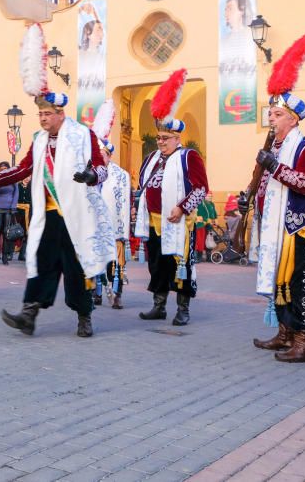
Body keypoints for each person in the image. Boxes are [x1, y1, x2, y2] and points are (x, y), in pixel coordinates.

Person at [0, 28, 111, 336]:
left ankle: (85, 317)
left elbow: (102, 167)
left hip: (76, 216)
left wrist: (91, 175)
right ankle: (28, 315)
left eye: (47, 113)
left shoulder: (83, 135)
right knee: (40, 263)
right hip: (49, 215)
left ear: (60, 113)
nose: (42, 118)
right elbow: (24, 169)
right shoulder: (39, 140)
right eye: (40, 113)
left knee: (75, 268)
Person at [246, 32, 305, 363]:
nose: (271, 119)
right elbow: (266, 184)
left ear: (293, 119)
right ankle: (284, 334)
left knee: (303, 285)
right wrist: (250, 197)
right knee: (282, 282)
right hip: (278, 227)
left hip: (302, 229)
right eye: (270, 114)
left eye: (277, 115)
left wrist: (275, 167)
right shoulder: (276, 149)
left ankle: (304, 342)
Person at [135, 69, 209, 327]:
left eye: (165, 138)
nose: (160, 142)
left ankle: (183, 309)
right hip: (154, 220)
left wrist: (181, 208)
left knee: (180, 264)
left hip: (177, 221)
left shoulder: (189, 157)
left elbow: (201, 188)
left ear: (177, 138)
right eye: (158, 138)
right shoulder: (151, 158)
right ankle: (159, 306)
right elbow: (143, 185)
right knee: (158, 265)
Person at [90, 101, 132, 309]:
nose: (101, 158)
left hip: (114, 227)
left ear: (109, 155)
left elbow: (123, 202)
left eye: (103, 155)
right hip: (96, 226)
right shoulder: (91, 172)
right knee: (97, 261)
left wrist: (122, 230)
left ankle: (117, 294)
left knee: (116, 264)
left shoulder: (120, 176)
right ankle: (96, 292)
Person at [0, 161, 19, 265]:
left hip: (9, 208)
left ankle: (4, 256)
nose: (3, 170)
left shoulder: (13, 179)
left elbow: (16, 193)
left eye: (5, 168)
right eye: (1, 169)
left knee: (6, 232)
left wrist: (13, 207)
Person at [194, 192, 218, 263]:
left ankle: (207, 256)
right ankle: (198, 256)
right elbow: (202, 214)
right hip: (201, 224)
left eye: (211, 196)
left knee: (208, 239)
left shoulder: (211, 204)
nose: (210, 197)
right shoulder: (201, 203)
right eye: (208, 196)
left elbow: (214, 213)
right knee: (200, 241)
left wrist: (214, 221)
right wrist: (204, 220)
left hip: (208, 224)